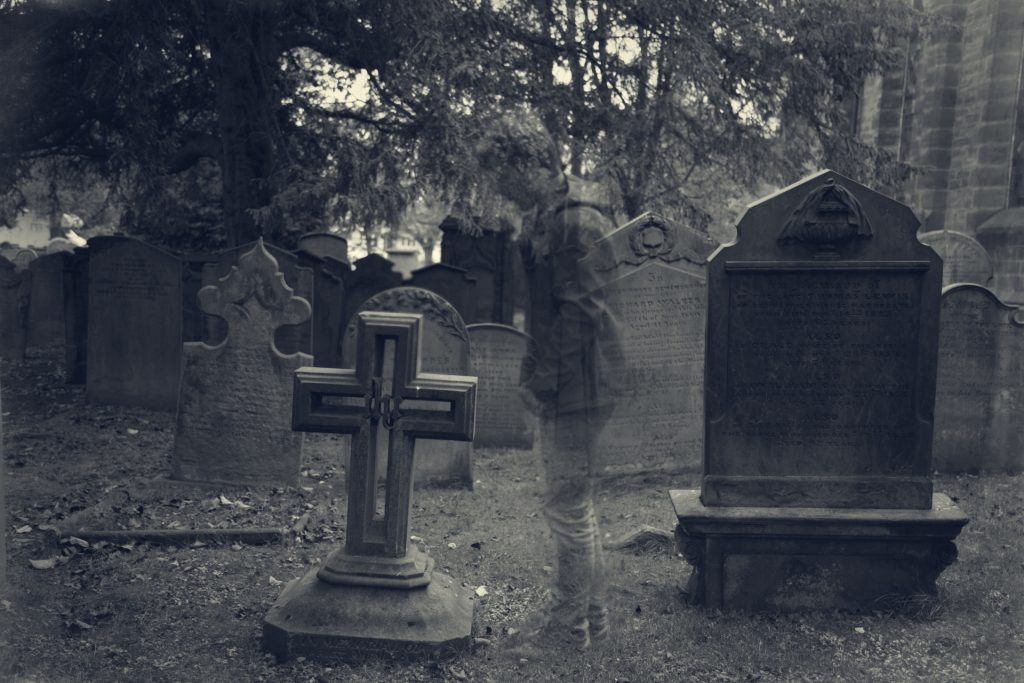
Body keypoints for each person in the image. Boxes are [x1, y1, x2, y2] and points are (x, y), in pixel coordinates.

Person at [475, 108, 624, 651]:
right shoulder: (549, 214)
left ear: (528, 162)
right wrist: (530, 369)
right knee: (574, 502)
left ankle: (569, 631)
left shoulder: (575, 220)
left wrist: (544, 381)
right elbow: (546, 311)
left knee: (566, 506)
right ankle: (592, 621)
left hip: (581, 385)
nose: (500, 187)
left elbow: (582, 312)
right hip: (572, 379)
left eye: (501, 174)